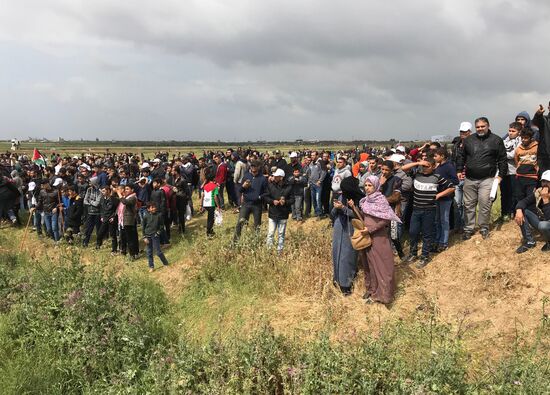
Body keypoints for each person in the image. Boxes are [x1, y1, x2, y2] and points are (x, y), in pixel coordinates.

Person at [456, 117, 507, 240]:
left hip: (487, 178)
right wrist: (458, 170)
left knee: (485, 203)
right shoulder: (469, 140)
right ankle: (469, 229)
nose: (480, 129)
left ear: (488, 126)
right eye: (478, 127)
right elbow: (461, 156)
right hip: (470, 178)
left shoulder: (496, 140)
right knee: (468, 205)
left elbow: (502, 160)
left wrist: (500, 176)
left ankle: (484, 227)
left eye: (482, 126)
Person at [353, 175, 400, 304]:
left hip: (378, 237)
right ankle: (371, 290)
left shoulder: (381, 200)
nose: (367, 188)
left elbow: (385, 220)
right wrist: (355, 208)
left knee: (381, 265)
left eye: (370, 186)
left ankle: (382, 295)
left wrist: (371, 229)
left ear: (376, 186)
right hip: (366, 236)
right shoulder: (365, 201)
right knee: (368, 264)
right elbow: (364, 216)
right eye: (366, 186)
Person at [401, 158, 456, 267]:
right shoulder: (416, 174)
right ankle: (413, 253)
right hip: (416, 209)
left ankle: (424, 256)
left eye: (428, 166)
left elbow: (452, 187)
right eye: (424, 166)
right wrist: (418, 163)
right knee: (413, 232)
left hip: (429, 210)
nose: (425, 168)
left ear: (434, 166)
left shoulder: (437, 177)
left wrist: (439, 195)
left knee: (427, 234)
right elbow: (403, 168)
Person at [331, 176, 364, 296]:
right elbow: (333, 214)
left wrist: (344, 208)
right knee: (337, 254)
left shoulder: (360, 198)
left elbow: (359, 216)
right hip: (339, 228)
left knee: (347, 256)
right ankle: (337, 280)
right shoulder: (342, 196)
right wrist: (335, 208)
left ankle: (346, 285)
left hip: (351, 230)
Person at [513, 128, 539, 252]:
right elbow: (516, 160)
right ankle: (529, 239)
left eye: (526, 138)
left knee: (530, 205)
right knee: (520, 206)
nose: (524, 140)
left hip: (532, 179)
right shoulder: (518, 149)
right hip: (520, 179)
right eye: (522, 138)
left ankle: (539, 228)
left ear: (531, 137)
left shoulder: (537, 147)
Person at [514, 170, 550, 253]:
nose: (545, 184)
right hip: (543, 222)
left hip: (546, 223)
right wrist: (519, 210)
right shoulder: (539, 192)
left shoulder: (544, 196)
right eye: (543, 181)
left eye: (548, 181)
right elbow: (523, 202)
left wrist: (545, 200)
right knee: (523, 210)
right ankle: (529, 241)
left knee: (543, 225)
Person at [233, 160, 267, 244]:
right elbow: (240, 190)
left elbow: (267, 192)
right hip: (246, 204)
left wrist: (259, 197)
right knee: (240, 223)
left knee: (257, 225)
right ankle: (235, 242)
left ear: (258, 167)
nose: (253, 167)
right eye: (252, 166)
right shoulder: (246, 176)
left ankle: (256, 242)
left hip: (257, 205)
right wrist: (243, 186)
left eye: (255, 166)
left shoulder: (262, 178)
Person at [433, 147, 459, 251]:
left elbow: (455, 181)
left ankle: (444, 242)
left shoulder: (449, 166)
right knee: (438, 220)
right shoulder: (438, 167)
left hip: (446, 197)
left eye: (436, 156)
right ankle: (438, 239)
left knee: (444, 220)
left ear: (442, 156)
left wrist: (445, 185)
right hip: (437, 197)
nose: (434, 158)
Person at [262, 168, 293, 253]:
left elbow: (292, 199)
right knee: (270, 233)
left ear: (281, 177)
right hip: (273, 213)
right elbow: (266, 197)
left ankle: (280, 251)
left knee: (281, 234)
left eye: (276, 176)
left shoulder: (289, 187)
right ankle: (269, 251)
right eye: (274, 176)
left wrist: (285, 202)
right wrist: (272, 201)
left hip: (283, 214)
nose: (274, 178)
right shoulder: (270, 185)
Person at [451, 122, 472, 231]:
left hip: (469, 178)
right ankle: (457, 226)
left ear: (470, 132)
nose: (463, 133)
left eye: (465, 131)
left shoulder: (474, 144)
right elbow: (453, 160)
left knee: (467, 204)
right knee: (457, 204)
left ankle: (466, 226)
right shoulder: (456, 144)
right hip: (457, 178)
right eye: (461, 131)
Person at [500, 122, 522, 221]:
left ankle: (514, 212)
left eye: (513, 131)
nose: (511, 133)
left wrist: (502, 155)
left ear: (519, 132)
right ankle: (505, 213)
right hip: (504, 171)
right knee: (504, 193)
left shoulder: (520, 141)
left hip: (514, 171)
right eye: (509, 130)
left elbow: (513, 155)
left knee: (514, 193)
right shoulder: (504, 141)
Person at [142, 202, 169, 272]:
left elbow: (161, 226)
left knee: (158, 252)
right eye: (152, 207)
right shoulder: (145, 216)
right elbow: (143, 227)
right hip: (147, 236)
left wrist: (158, 233)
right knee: (149, 252)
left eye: (154, 207)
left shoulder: (159, 215)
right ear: (148, 209)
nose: (154, 208)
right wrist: (144, 237)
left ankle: (165, 263)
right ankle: (151, 266)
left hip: (155, 235)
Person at [114, 184, 139, 259]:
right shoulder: (125, 197)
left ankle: (132, 254)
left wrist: (119, 193)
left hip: (129, 220)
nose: (126, 190)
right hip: (122, 221)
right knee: (123, 237)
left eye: (128, 189)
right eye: (125, 189)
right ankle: (124, 251)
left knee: (130, 238)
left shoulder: (133, 197)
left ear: (132, 190)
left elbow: (126, 202)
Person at [96, 185, 119, 254]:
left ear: (108, 191)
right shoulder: (102, 199)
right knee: (100, 233)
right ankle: (98, 245)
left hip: (111, 219)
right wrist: (102, 216)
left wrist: (114, 217)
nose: (102, 192)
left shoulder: (114, 199)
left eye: (104, 191)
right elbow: (101, 208)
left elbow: (117, 209)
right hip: (104, 218)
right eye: (102, 191)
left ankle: (114, 250)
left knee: (113, 235)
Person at [82, 176, 102, 247]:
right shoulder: (89, 189)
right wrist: (92, 202)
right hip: (90, 212)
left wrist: (89, 201)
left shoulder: (100, 191)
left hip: (98, 213)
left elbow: (97, 203)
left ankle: (98, 243)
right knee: (88, 228)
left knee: (98, 229)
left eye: (90, 182)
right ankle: (85, 242)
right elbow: (85, 201)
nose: (89, 184)